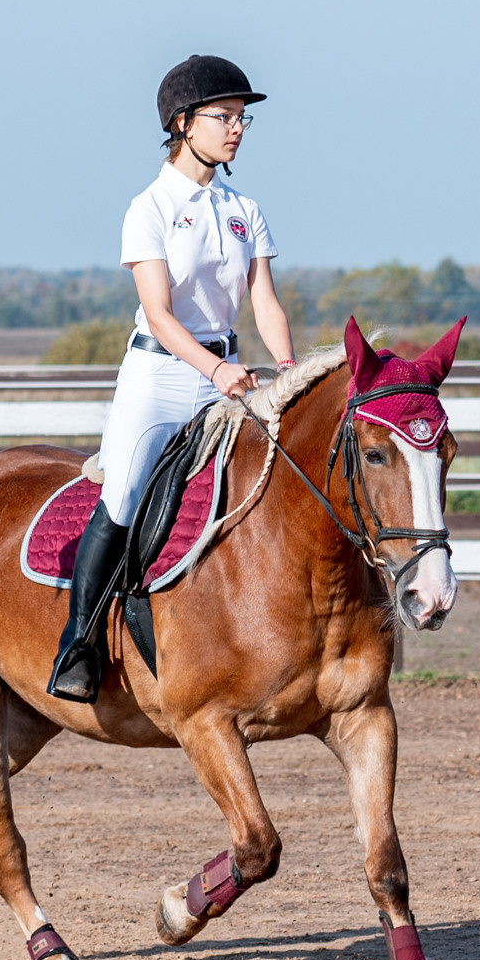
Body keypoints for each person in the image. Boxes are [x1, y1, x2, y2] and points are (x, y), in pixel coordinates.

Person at [47, 54, 298, 701]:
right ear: (183, 122)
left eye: (243, 118)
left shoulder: (245, 207)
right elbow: (159, 313)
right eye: (224, 116)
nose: (237, 128)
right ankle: (76, 645)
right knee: (125, 495)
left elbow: (264, 299)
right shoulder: (149, 207)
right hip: (161, 379)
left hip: (231, 372)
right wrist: (215, 368)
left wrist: (290, 369)